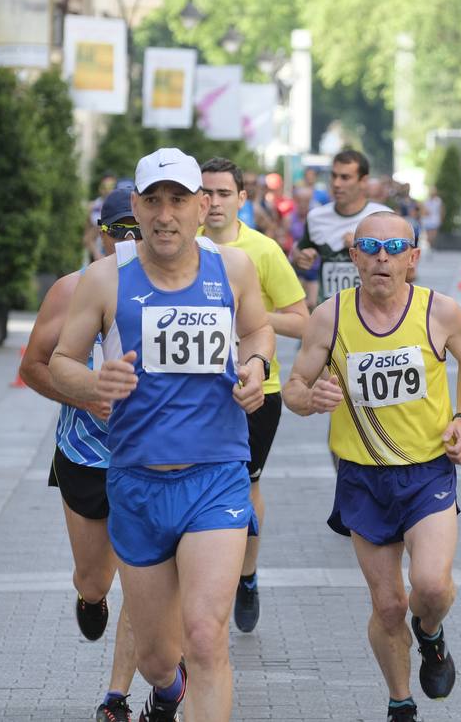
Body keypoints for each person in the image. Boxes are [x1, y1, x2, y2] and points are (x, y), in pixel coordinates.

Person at [50, 147, 276, 722]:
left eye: (179, 200)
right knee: (157, 658)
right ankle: (166, 689)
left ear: (203, 207)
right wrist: (95, 381)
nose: (166, 214)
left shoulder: (234, 268)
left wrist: (255, 368)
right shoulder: (106, 279)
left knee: (205, 637)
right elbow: (59, 363)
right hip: (136, 483)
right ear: (136, 207)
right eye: (154, 201)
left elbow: (257, 331)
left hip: (215, 479)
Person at [283, 211, 461, 722]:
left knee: (432, 587)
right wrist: (312, 398)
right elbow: (292, 389)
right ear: (352, 257)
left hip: (427, 471)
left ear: (412, 259)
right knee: (390, 605)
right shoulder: (328, 317)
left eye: (394, 248)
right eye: (369, 246)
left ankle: (432, 635)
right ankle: (400, 704)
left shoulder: (440, 311)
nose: (381, 257)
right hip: (362, 476)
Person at [21, 188, 141, 722]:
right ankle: (91, 599)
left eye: (136, 232)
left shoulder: (182, 291)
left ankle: (117, 697)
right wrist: (86, 394)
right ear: (101, 234)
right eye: (118, 233)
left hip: (154, 461)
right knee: (96, 578)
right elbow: (33, 367)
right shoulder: (72, 290)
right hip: (85, 456)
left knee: (147, 580)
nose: (127, 244)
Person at [198, 157, 310, 633]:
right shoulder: (181, 247)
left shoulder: (262, 251)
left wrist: (250, 317)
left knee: (246, 484)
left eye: (224, 193)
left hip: (255, 389)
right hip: (196, 390)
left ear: (242, 199)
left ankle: (245, 575)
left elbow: (301, 319)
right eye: (205, 193)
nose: (214, 202)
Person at [291, 149, 391, 303]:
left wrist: (365, 246)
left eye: (345, 177)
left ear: (363, 181)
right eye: (334, 176)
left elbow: (407, 272)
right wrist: (300, 260)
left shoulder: (384, 216)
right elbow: (298, 257)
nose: (336, 183)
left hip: (374, 316)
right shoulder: (316, 217)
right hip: (331, 317)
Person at [85, 174, 120, 261]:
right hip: (97, 255)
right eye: (105, 187)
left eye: (111, 186)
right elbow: (86, 238)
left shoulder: (121, 208)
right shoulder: (93, 207)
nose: (108, 190)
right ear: (100, 188)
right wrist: (97, 254)